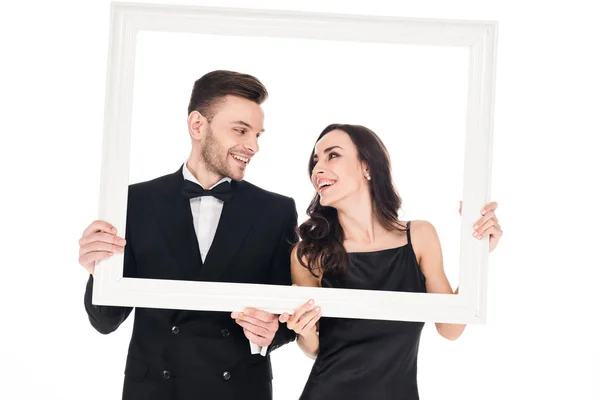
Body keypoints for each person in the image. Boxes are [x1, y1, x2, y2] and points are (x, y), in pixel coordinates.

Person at [78, 70, 297, 400]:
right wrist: (99, 271)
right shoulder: (134, 202)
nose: (252, 146)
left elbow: (286, 309)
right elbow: (106, 322)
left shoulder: (276, 211)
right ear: (198, 125)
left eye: (257, 135)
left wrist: (273, 330)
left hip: (238, 390)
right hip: (156, 390)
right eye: (241, 130)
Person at [278, 124, 503, 399]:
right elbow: (316, 350)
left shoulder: (419, 236)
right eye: (315, 161)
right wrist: (304, 332)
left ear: (367, 167)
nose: (317, 169)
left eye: (332, 155)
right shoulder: (308, 255)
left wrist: (476, 253)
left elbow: (451, 329)